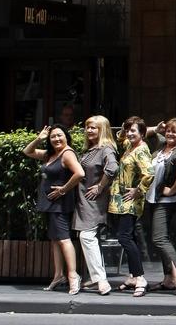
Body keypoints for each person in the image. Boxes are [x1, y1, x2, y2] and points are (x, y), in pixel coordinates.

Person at [25, 124, 83, 294]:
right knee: (55, 240)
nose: (57, 139)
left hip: (60, 205)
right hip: (50, 205)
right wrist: (39, 138)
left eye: (60, 135)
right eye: (53, 137)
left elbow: (79, 173)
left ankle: (73, 276)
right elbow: (27, 152)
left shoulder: (67, 153)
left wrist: (63, 189)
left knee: (64, 240)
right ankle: (58, 275)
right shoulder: (51, 154)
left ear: (66, 136)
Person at [110, 117, 153, 296]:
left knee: (124, 237)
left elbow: (149, 173)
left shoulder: (141, 150)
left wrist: (138, 190)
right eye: (128, 130)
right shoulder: (130, 146)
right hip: (121, 200)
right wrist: (126, 127)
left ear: (142, 133)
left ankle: (140, 277)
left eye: (133, 130)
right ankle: (134, 276)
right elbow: (120, 136)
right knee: (130, 237)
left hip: (130, 201)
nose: (129, 133)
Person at [75, 116, 118, 296]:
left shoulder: (106, 148)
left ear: (102, 129)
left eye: (93, 128)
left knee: (86, 236)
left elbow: (113, 168)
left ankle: (101, 280)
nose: (89, 130)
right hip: (83, 200)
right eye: (87, 127)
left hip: (93, 201)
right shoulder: (90, 149)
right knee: (90, 238)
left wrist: (100, 186)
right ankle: (95, 279)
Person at [146, 119, 176, 296]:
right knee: (161, 238)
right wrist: (155, 128)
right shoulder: (161, 146)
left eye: (175, 132)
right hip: (152, 199)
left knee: (159, 239)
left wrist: (171, 191)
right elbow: (139, 133)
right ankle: (168, 279)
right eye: (168, 131)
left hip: (166, 202)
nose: (170, 134)